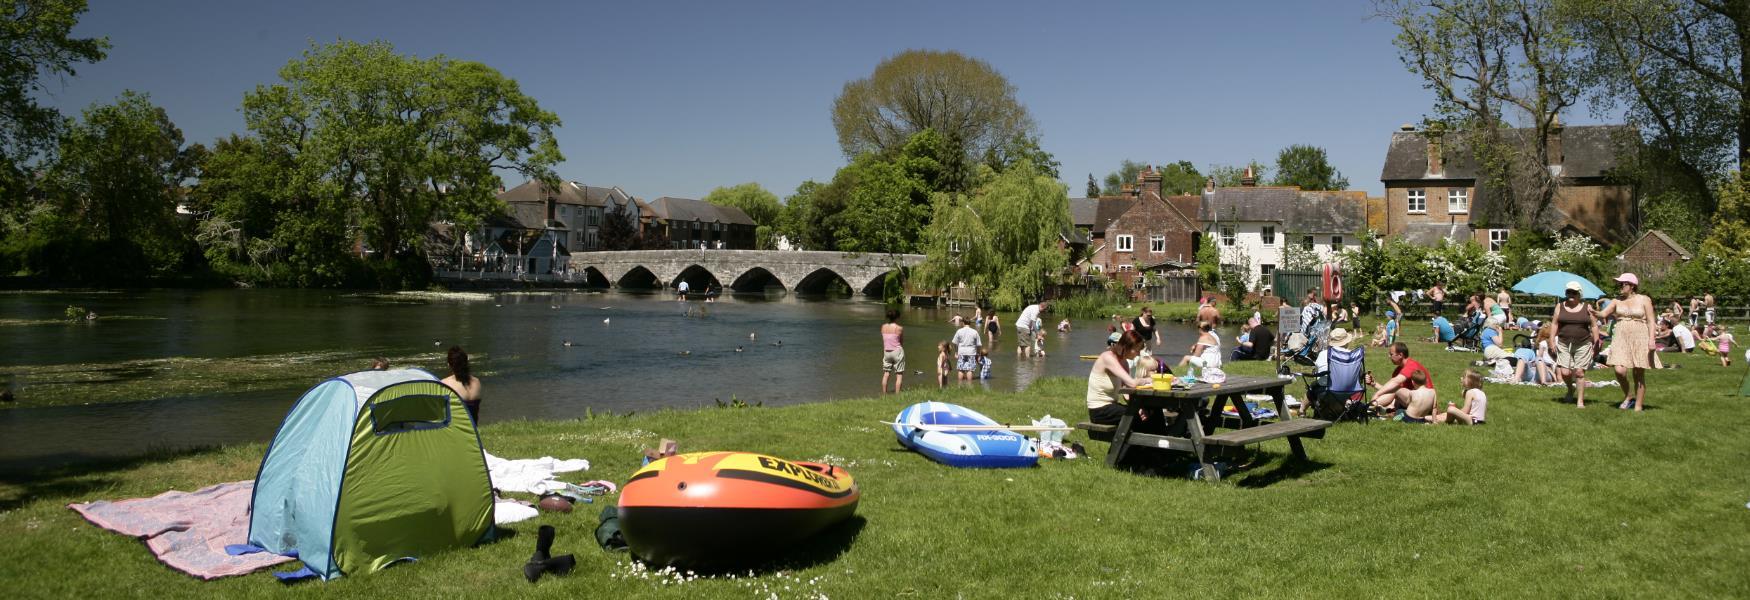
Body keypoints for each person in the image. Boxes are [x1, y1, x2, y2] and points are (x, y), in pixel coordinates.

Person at [1596, 273, 1655, 411]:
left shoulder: (1644, 299)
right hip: (1621, 337)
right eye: (1619, 284)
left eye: (1623, 284)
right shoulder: (1616, 301)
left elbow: (1651, 321)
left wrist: (1652, 339)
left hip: (1640, 336)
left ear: (1632, 285)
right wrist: (1593, 311)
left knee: (1638, 372)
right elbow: (1603, 314)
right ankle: (1629, 395)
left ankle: (1638, 406)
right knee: (1619, 370)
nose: (1620, 286)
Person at [1086, 331, 1146, 427]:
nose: (1138, 354)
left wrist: (1138, 407)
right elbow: (1132, 383)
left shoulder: (1124, 362)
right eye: (1137, 350)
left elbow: (1126, 392)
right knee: (1135, 417)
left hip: (1112, 407)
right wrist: (1149, 380)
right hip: (1099, 411)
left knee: (1148, 413)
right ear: (1126, 347)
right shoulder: (1108, 358)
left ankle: (1160, 439)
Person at [1368, 342, 1433, 413]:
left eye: (1391, 354)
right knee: (1393, 400)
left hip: (1426, 403)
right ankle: (1370, 408)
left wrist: (1377, 394)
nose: (1389, 356)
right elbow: (1390, 390)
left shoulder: (1411, 365)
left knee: (1396, 392)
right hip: (1416, 402)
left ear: (1400, 355)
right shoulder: (1398, 370)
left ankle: (1369, 407)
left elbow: (1396, 382)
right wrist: (1374, 384)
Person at [441, 346, 484, 423]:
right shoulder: (477, 382)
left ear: (449, 365)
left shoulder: (444, 383)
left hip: (456, 431)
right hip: (473, 431)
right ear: (466, 362)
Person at [880, 308, 905, 394]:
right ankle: (897, 395)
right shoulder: (899, 328)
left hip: (886, 351)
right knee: (899, 374)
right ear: (897, 317)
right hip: (897, 351)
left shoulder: (883, 327)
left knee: (886, 374)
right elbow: (901, 341)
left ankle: (884, 395)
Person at [952, 316, 982, 382]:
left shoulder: (959, 331)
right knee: (970, 369)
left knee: (961, 369)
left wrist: (956, 352)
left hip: (961, 352)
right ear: (970, 323)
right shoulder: (974, 332)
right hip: (971, 352)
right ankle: (970, 385)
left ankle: (959, 385)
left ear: (963, 322)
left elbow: (954, 343)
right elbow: (979, 345)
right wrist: (978, 354)